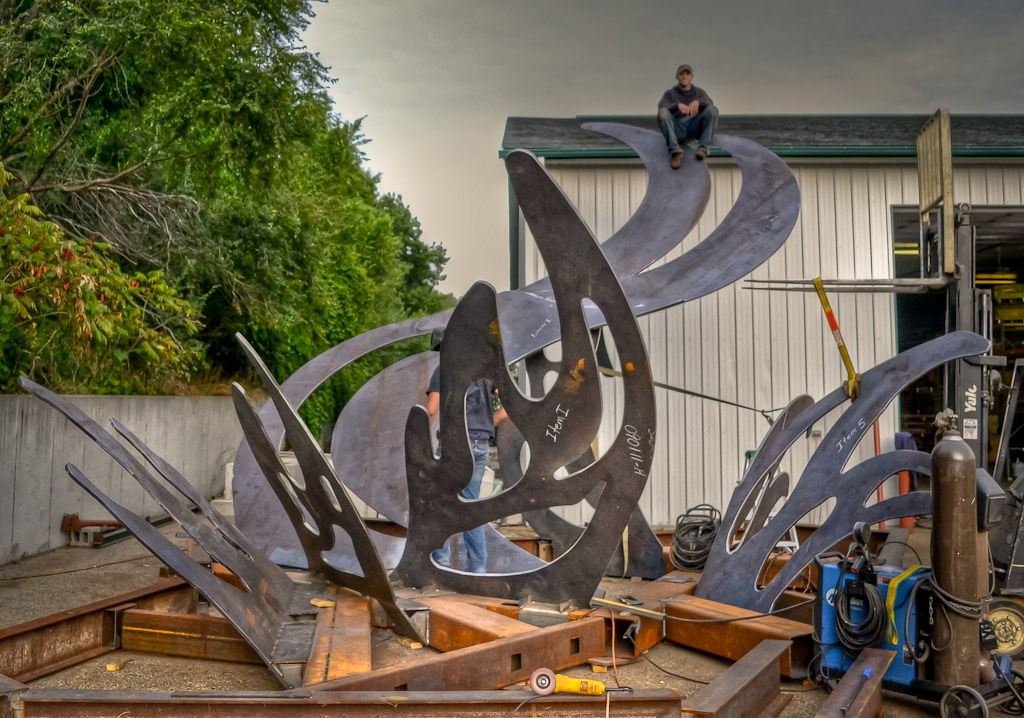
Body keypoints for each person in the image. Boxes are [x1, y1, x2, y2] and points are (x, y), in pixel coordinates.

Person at [425, 331, 508, 573]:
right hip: (480, 445)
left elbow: (431, 410)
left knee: (440, 503)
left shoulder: (443, 371)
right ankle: (478, 571)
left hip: (454, 446)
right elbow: (510, 404)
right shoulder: (483, 374)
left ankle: (440, 565)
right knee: (471, 507)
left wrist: (415, 436)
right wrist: (490, 423)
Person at [657, 63, 718, 170]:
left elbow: (710, 104)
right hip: (677, 129)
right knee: (662, 112)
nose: (684, 76)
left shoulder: (699, 92)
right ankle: (675, 153)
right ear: (677, 77)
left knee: (713, 110)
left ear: (691, 77)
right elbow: (662, 106)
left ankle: (702, 149)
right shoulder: (670, 93)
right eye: (681, 74)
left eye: (687, 74)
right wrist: (677, 106)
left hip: (694, 128)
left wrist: (698, 102)